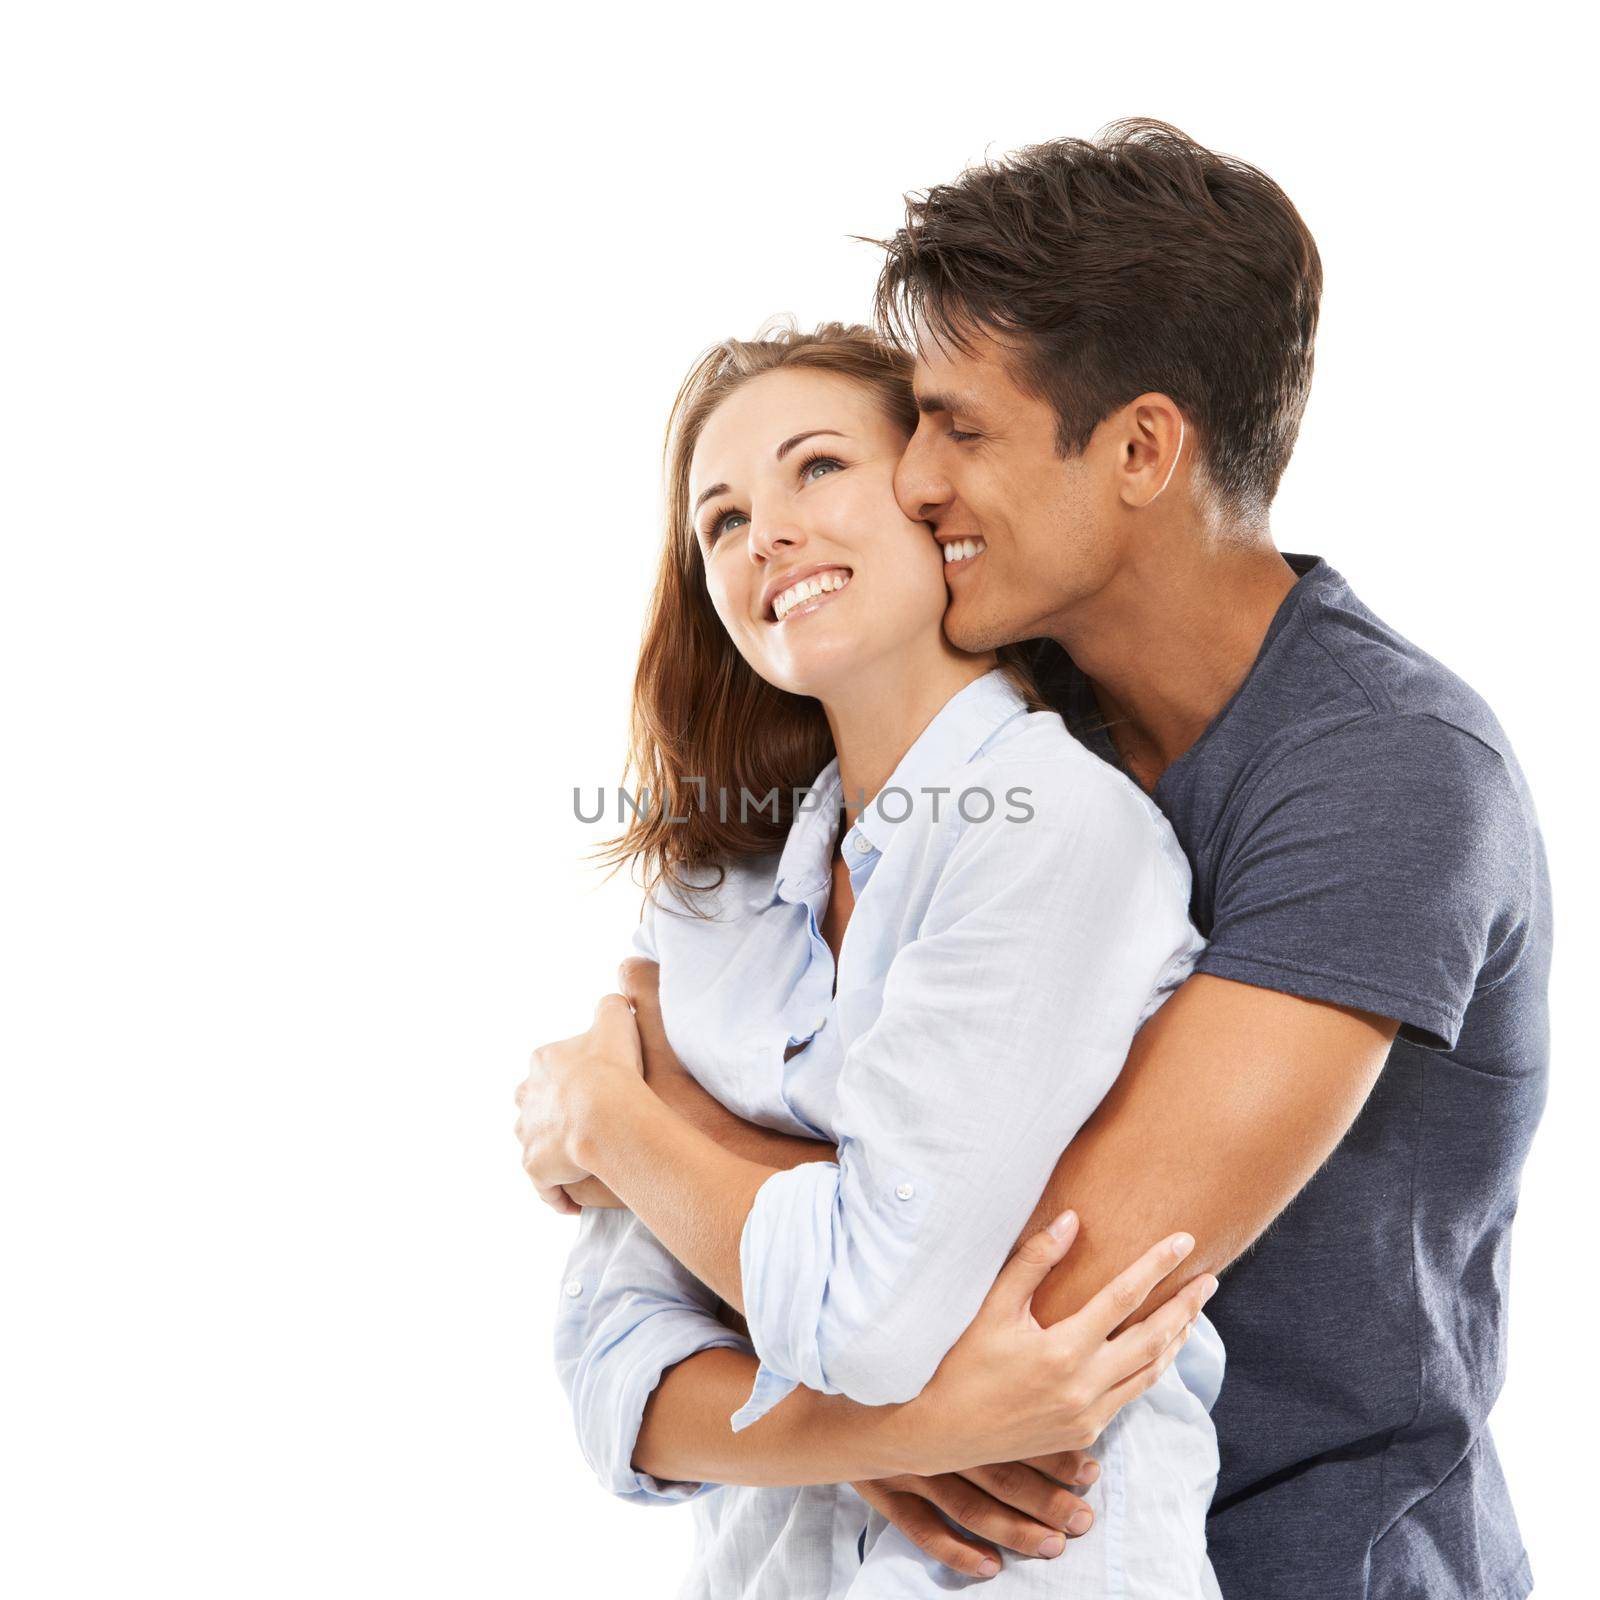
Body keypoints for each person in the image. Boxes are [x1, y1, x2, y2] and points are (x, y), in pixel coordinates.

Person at [588, 121, 1551, 1599]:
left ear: (1142, 450)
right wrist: (858, 1389)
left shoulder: (1387, 773)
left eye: (960, 430)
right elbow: (867, 1280)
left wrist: (620, 1135)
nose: (917, 481)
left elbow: (1014, 1283)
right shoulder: (1017, 730)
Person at [516, 322, 1226, 1596]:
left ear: (931, 503)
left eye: (816, 468)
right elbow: (609, 1360)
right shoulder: (714, 891)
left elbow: (868, 1312)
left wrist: (609, 1115)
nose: (766, 534)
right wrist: (907, 1434)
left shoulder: (1056, 827)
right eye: (721, 520)